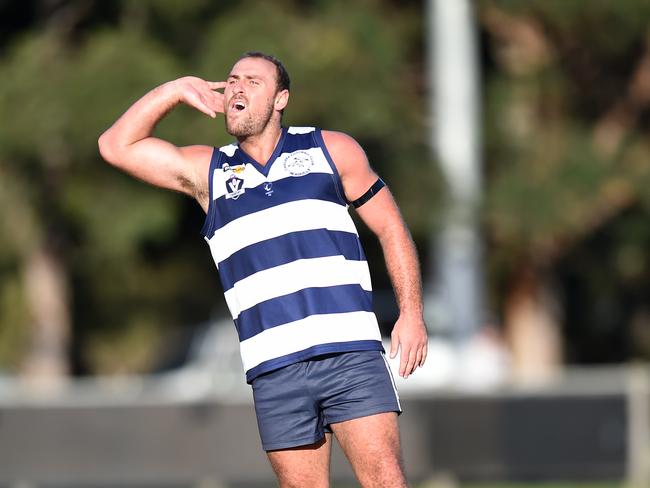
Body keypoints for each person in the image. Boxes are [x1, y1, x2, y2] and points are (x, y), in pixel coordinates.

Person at [98, 51, 428, 488]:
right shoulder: (209, 172)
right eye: (232, 79)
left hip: (350, 353)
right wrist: (174, 90)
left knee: (385, 479)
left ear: (280, 99)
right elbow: (115, 146)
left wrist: (411, 312)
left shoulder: (332, 149)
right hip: (275, 368)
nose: (237, 86)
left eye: (253, 81)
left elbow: (391, 228)